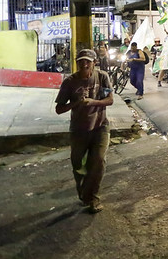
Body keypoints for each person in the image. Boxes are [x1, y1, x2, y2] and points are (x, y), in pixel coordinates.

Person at [54, 49, 114, 214]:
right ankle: (84, 193)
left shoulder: (102, 77)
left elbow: (109, 100)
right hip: (79, 129)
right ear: (77, 62)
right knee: (78, 165)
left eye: (88, 61)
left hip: (100, 126)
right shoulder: (70, 82)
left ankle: (93, 197)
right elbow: (59, 109)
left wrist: (93, 102)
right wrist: (76, 103)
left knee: (98, 161)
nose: (84, 64)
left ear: (94, 62)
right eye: (81, 61)